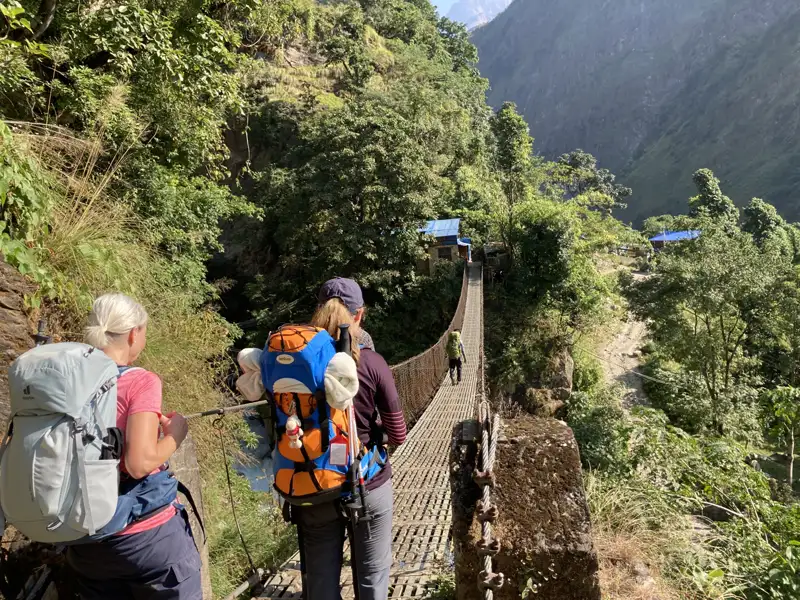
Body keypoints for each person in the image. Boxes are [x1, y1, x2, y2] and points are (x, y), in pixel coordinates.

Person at [66, 293, 202, 600]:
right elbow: (140, 463)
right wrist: (175, 434)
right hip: (147, 541)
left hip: (86, 542)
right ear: (133, 333)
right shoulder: (140, 381)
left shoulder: (69, 380)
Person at [294, 277, 407, 600]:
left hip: (313, 484)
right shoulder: (372, 363)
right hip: (366, 482)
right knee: (372, 582)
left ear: (318, 312)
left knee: (320, 585)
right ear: (360, 315)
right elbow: (398, 433)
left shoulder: (300, 367)